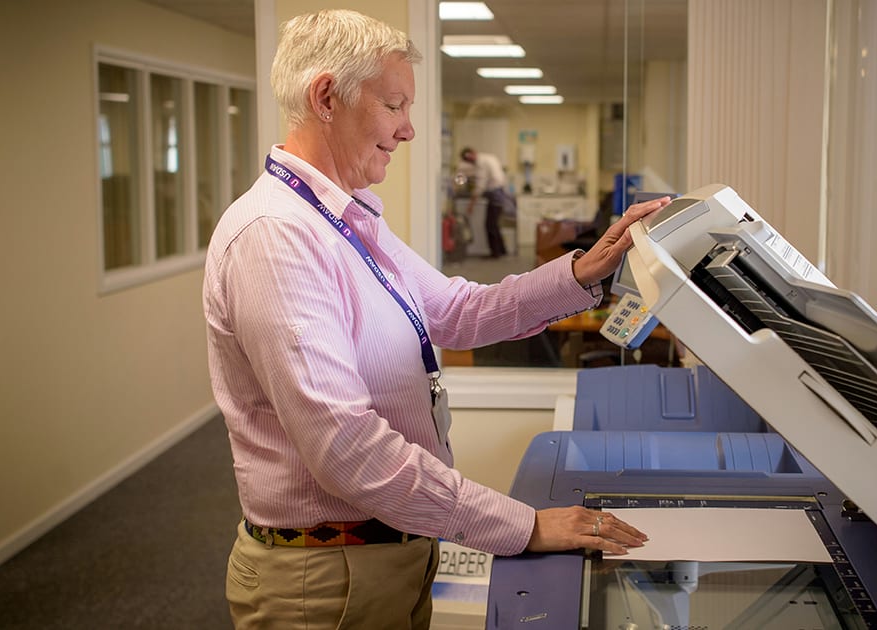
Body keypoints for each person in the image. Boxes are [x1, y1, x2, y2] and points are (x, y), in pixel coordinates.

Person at [202, 9, 669, 629]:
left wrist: (582, 274)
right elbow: (347, 450)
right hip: (326, 580)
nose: (409, 130)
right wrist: (521, 526)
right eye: (394, 105)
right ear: (325, 97)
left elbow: (454, 310)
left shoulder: (347, 217)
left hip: (390, 554)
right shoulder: (276, 237)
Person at [458, 147, 511, 258]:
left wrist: (471, 204)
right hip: (501, 192)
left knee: (490, 225)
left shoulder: (481, 163)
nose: (470, 162)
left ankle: (495, 253)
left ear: (471, 154)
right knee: (495, 224)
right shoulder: (489, 157)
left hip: (495, 194)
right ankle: (502, 250)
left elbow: (480, 185)